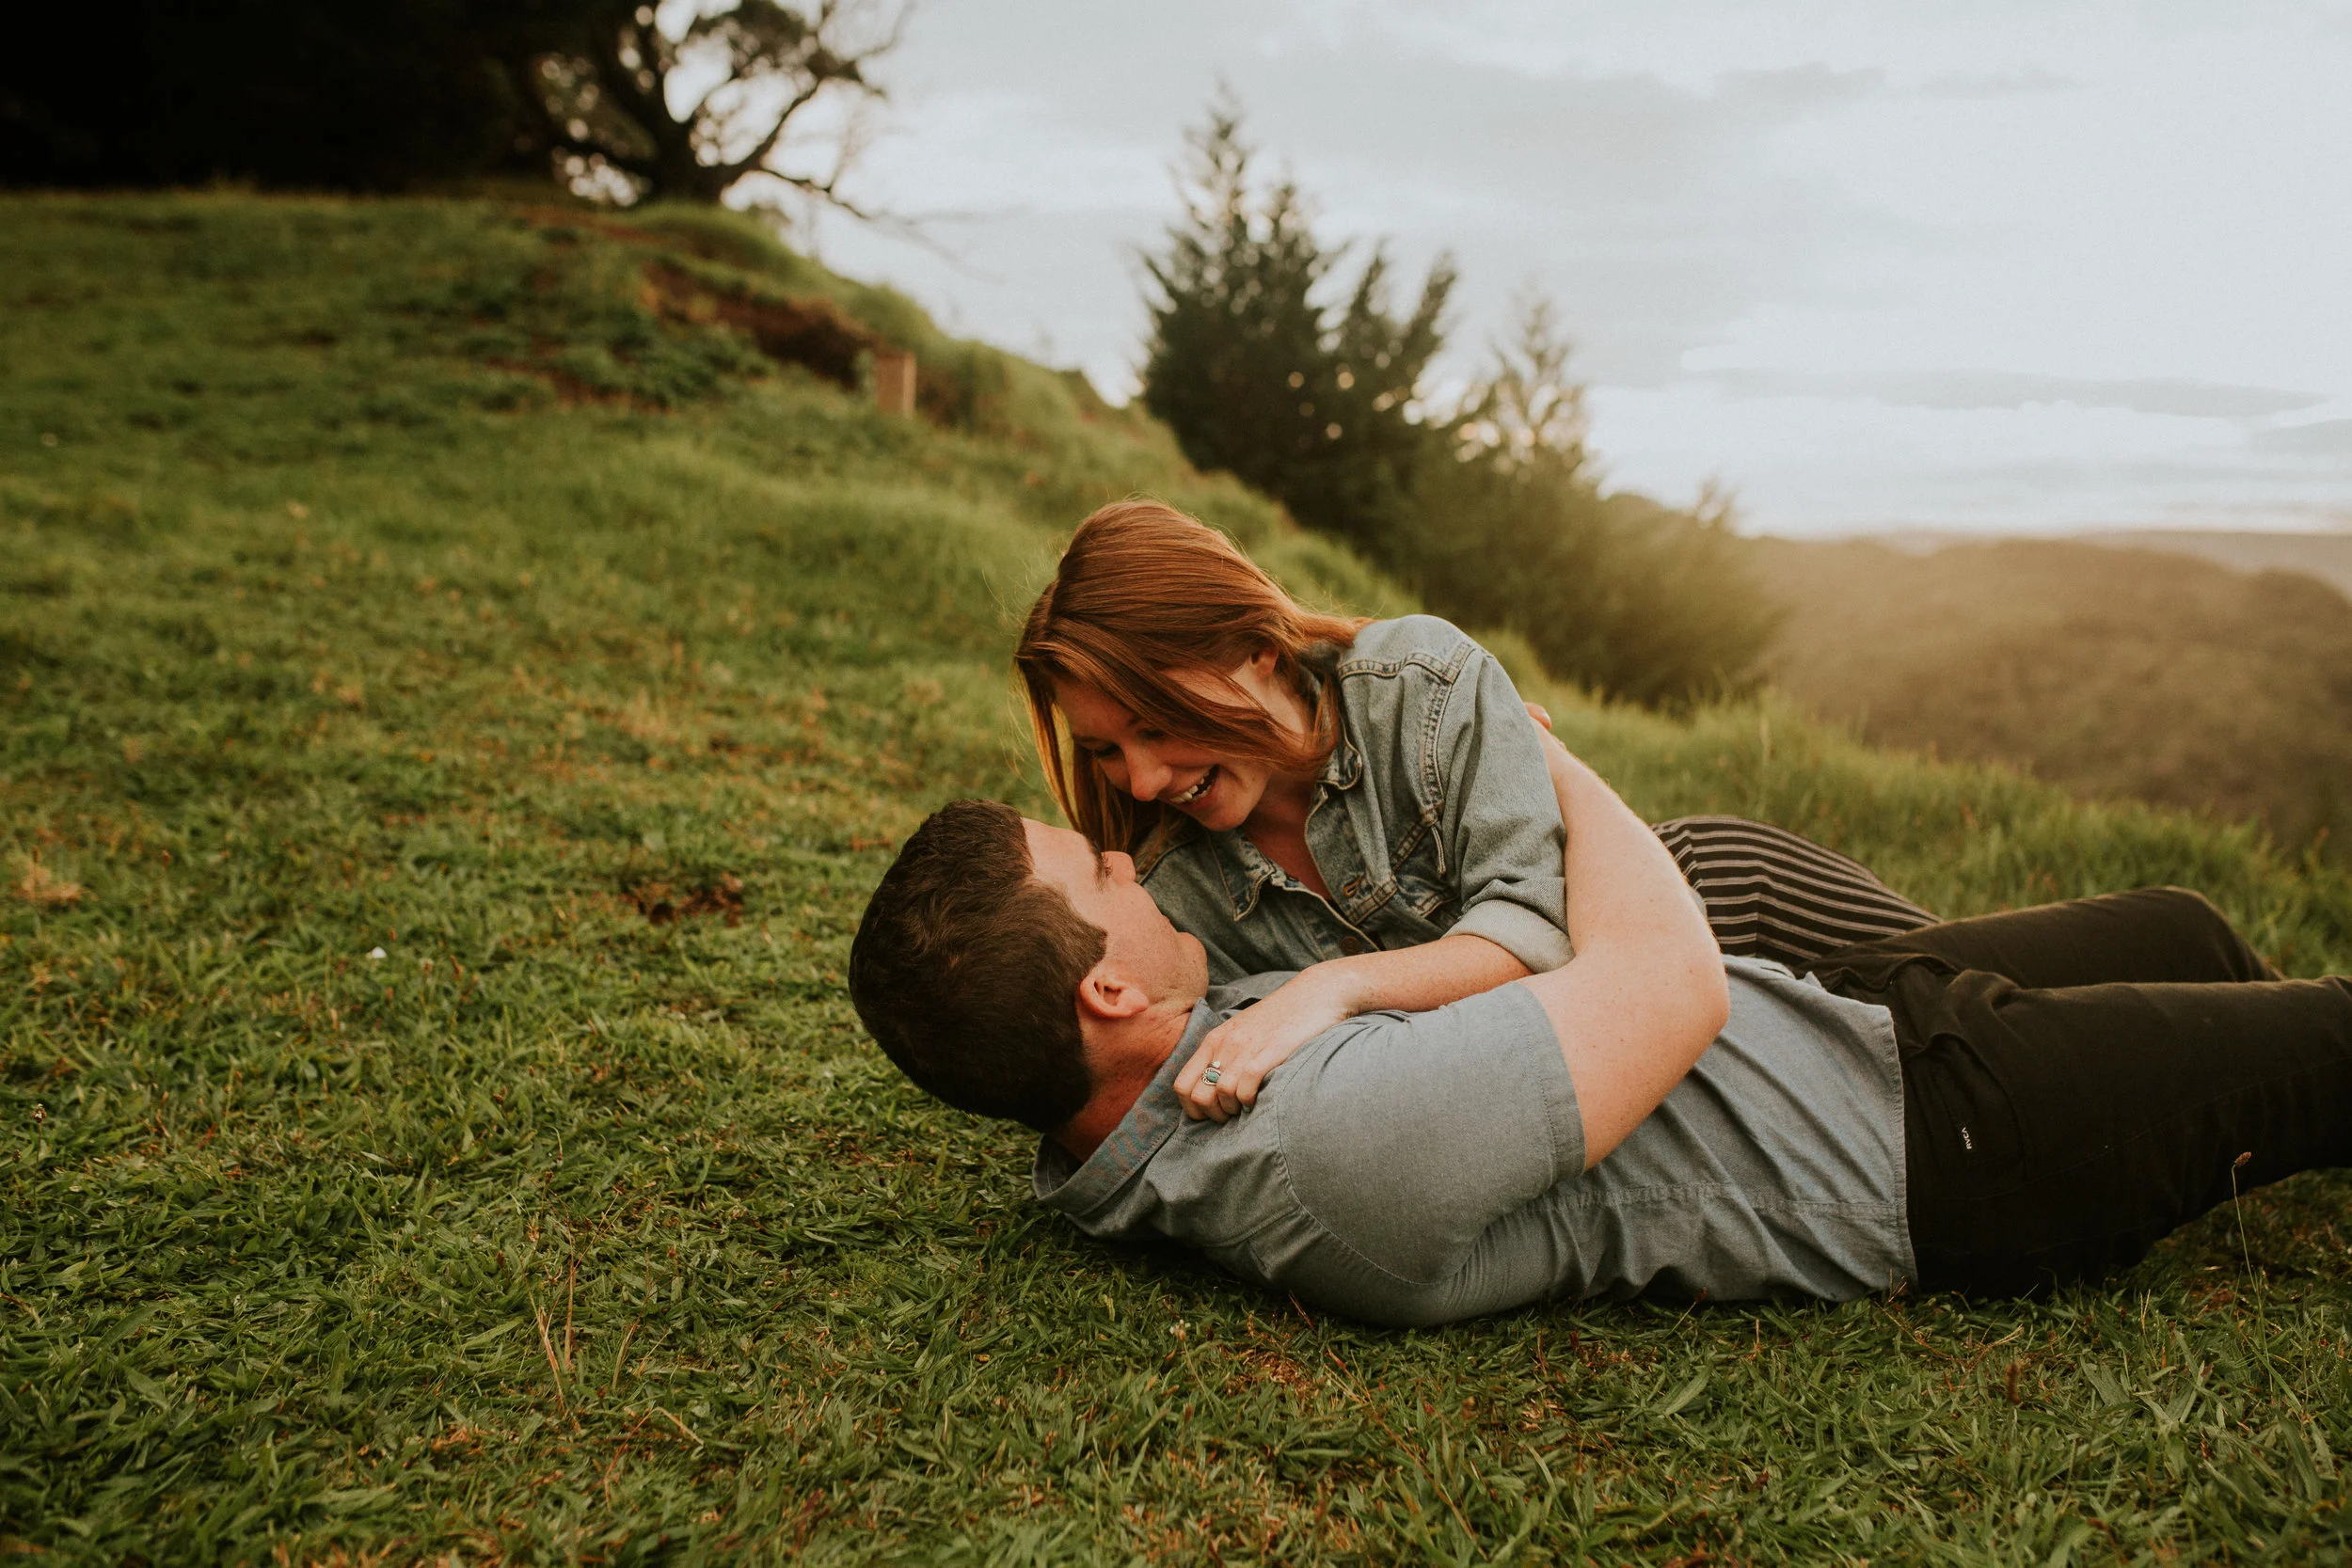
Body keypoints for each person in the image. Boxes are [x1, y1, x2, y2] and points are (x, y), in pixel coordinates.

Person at [847, 741, 2352, 1327]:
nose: (1129, 861)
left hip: (1866, 1027)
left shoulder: (1174, 1065)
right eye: (1098, 872)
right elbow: (1670, 974)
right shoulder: (1327, 1150)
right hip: (1947, 1140)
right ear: (1102, 993)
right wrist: (1509, 728)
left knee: (2184, 928)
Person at [1013, 499, 1936, 1125]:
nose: (1138, 781)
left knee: (1975, 1000)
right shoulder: (1176, 893)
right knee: (1937, 1073)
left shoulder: (1414, 683)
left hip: (1722, 897)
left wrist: (1330, 986)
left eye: (1153, 724)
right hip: (1653, 1024)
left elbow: (1537, 935)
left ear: (1254, 649)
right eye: (1103, 748)